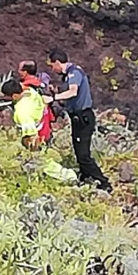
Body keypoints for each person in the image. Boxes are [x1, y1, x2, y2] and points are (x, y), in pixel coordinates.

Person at [48, 48, 111, 192]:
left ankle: (103, 183)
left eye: (52, 66)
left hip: (83, 118)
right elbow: (69, 100)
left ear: (58, 62)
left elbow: (73, 91)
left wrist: (53, 98)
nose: (53, 69)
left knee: (83, 155)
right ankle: (84, 178)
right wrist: (57, 94)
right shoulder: (68, 76)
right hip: (76, 118)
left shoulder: (74, 73)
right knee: (78, 151)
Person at [1, 79, 76, 183]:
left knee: (42, 161)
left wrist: (31, 151)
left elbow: (32, 137)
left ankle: (66, 177)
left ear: (14, 96)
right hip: (45, 127)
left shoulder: (22, 112)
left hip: (37, 134)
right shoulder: (31, 91)